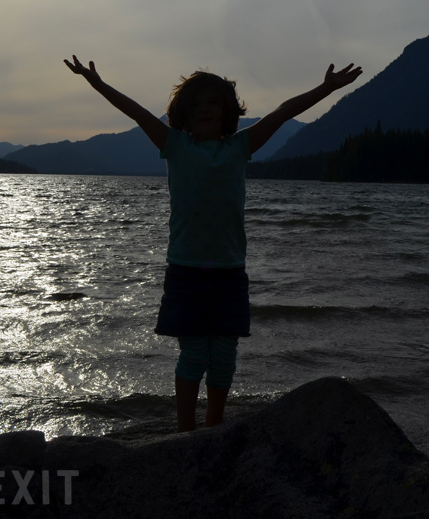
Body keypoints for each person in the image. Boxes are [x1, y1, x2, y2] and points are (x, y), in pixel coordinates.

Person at [64, 55, 362, 432]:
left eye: (213, 102)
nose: (205, 109)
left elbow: (283, 112)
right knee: (192, 356)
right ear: (184, 114)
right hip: (186, 270)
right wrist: (97, 83)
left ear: (226, 111)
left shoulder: (240, 146)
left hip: (229, 271)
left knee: (222, 356)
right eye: (196, 104)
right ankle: (185, 431)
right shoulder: (174, 145)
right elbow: (137, 113)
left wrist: (326, 88)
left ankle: (215, 425)